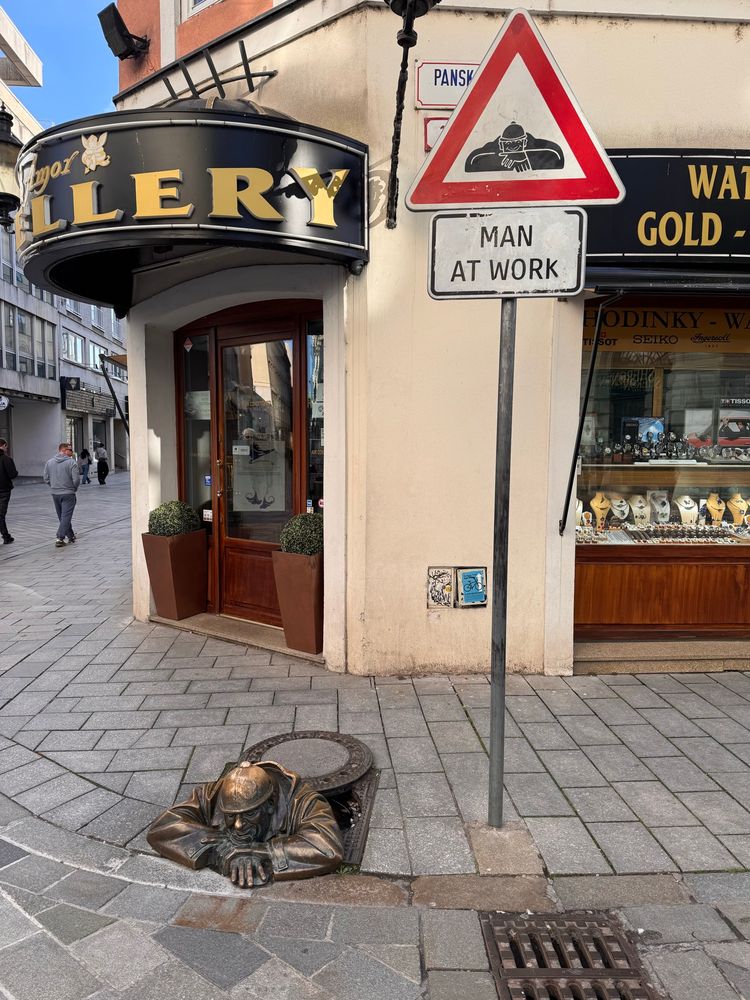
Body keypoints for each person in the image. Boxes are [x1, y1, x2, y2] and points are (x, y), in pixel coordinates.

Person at [147, 760, 343, 888]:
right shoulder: (213, 794)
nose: (239, 825)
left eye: (249, 814)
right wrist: (218, 846)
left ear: (270, 804)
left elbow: (327, 848)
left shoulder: (303, 801)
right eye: (231, 816)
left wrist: (261, 851)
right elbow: (162, 828)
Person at [43, 443, 80, 548]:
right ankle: (60, 538)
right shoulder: (72, 462)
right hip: (68, 493)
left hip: (55, 493)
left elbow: (45, 478)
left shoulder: (49, 462)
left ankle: (70, 535)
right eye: (70, 450)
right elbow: (76, 479)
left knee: (62, 516)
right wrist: (74, 488)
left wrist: (53, 486)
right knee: (65, 516)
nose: (72, 452)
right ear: (63, 450)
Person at [0, 438, 18, 545]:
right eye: (6, 446)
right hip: (4, 490)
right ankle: (6, 537)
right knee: (1, 515)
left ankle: (6, 536)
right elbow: (13, 474)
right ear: (3, 445)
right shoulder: (6, 459)